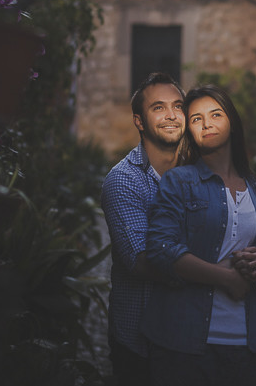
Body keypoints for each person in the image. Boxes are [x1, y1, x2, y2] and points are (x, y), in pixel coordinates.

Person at [142, 84, 256, 386]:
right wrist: (226, 278)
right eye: (196, 119)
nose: (207, 124)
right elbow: (160, 249)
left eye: (216, 114)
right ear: (189, 132)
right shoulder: (178, 182)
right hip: (183, 345)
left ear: (231, 122)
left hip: (248, 346)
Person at [101, 72, 186, 386]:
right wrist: (217, 273)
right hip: (140, 344)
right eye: (158, 108)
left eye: (178, 106)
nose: (171, 115)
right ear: (138, 121)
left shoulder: (199, 173)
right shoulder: (123, 181)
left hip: (190, 339)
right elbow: (140, 262)